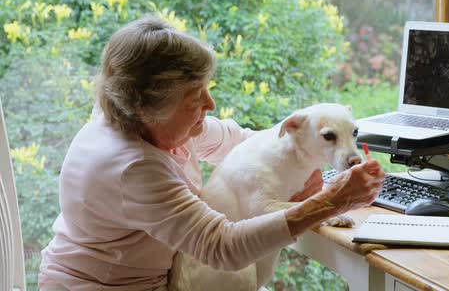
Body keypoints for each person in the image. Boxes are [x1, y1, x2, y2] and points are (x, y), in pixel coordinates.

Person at [38, 16, 385, 291]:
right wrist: (330, 203)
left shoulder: (149, 122)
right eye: (195, 98)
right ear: (145, 107)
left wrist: (308, 144)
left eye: (207, 89)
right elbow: (223, 248)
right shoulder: (132, 167)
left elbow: (244, 143)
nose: (210, 104)